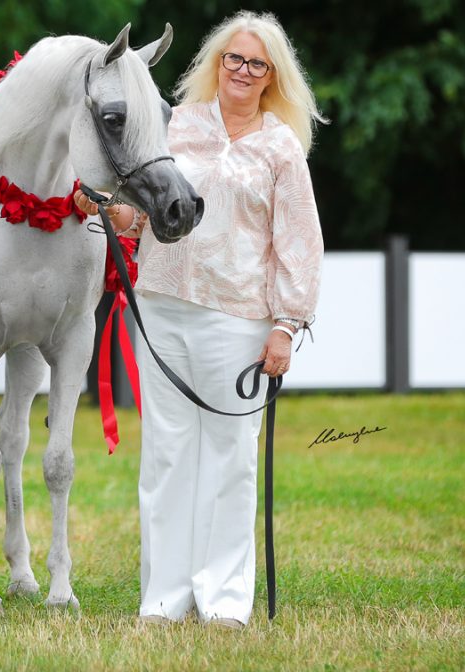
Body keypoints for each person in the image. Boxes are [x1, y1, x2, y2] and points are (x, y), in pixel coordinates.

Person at [74, 10, 324, 628]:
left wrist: (286, 325)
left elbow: (298, 241)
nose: (242, 71)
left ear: (272, 77)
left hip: (238, 318)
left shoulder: (279, 145)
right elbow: (145, 216)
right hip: (160, 306)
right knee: (165, 454)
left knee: (231, 456)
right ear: (217, 63)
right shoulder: (175, 125)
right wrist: (107, 212)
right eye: (233, 59)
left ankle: (224, 600)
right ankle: (163, 598)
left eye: (256, 63)